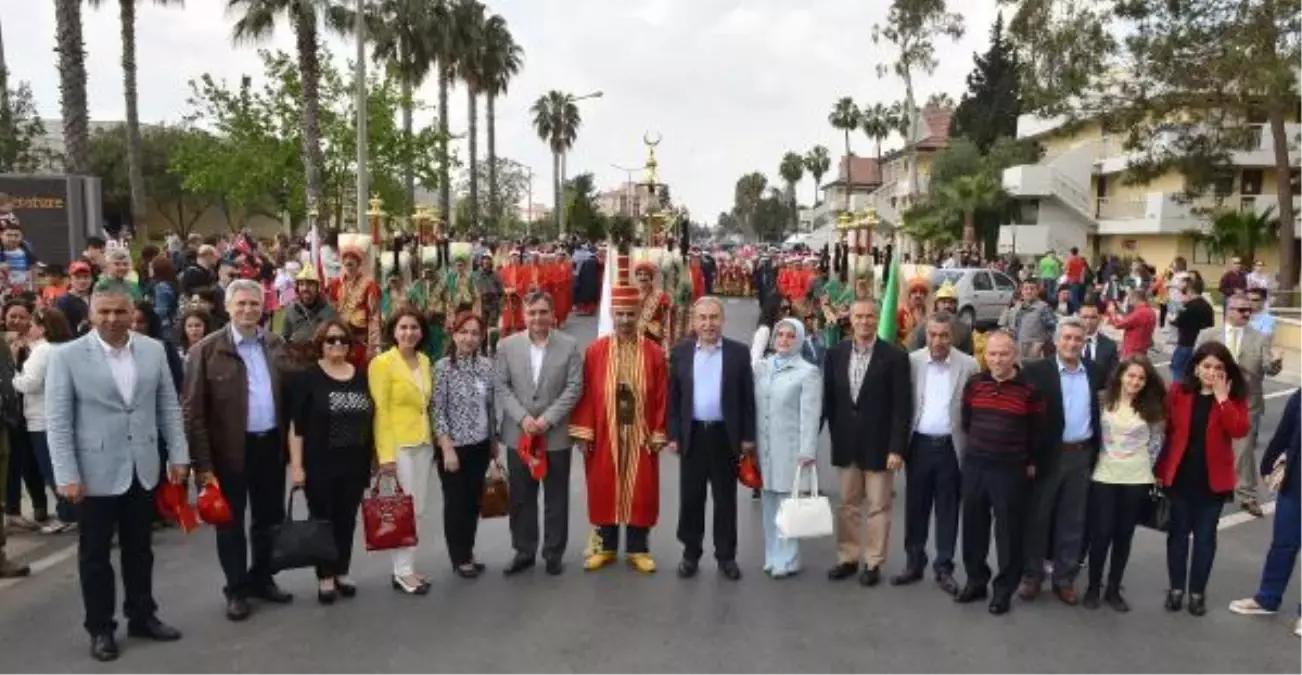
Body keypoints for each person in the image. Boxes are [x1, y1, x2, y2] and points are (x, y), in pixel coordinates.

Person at [45, 286, 189, 661]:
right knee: (95, 556)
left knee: (140, 550)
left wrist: (179, 455)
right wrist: (66, 475)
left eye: (120, 312)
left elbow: (169, 408)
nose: (112, 319)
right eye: (104, 312)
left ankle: (142, 615)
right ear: (91, 315)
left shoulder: (153, 350)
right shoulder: (67, 357)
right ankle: (101, 628)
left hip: (143, 468)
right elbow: (58, 422)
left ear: (132, 313)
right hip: (93, 474)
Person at [184, 279, 294, 622]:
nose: (248, 310)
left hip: (269, 447)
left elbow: (291, 395)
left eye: (254, 305)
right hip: (228, 453)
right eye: (241, 304)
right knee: (229, 524)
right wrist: (202, 465)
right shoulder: (205, 350)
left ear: (264, 308)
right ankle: (236, 588)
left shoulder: (276, 345)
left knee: (269, 520)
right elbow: (193, 412)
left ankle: (262, 577)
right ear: (228, 308)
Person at [570, 255, 668, 574]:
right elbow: (584, 394)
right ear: (612, 314)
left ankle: (638, 549)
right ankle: (607, 546)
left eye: (631, 313)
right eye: (620, 314)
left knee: (640, 489)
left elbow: (661, 395)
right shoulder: (596, 351)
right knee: (604, 486)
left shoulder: (653, 353)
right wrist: (584, 432)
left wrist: (657, 431)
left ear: (639, 313)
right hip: (604, 429)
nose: (625, 319)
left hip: (639, 432)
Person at [1156, 341, 1250, 617]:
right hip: (1180, 478)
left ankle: (1197, 593)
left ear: (1226, 371)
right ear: (1196, 367)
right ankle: (1176, 589)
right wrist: (1159, 471)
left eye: (1218, 368)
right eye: (1206, 366)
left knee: (1206, 538)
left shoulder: (1233, 397)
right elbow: (1166, 431)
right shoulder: (1178, 392)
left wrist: (1222, 398)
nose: (1211, 372)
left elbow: (1239, 430)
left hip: (1213, 482)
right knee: (1178, 536)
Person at [823, 298, 912, 587]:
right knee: (847, 505)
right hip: (846, 442)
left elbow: (902, 407)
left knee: (878, 506)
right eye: (858, 316)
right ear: (850, 319)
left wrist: (897, 448)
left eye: (870, 317)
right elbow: (830, 399)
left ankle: (873, 562)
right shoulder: (835, 354)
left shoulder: (895, 357)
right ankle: (847, 557)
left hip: (880, 446)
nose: (864, 322)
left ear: (877, 320)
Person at [956, 331, 1045, 615]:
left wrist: (1030, 461)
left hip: (1010, 469)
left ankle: (1003, 590)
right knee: (973, 528)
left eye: (1003, 354)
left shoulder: (1030, 389)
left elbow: (1036, 430)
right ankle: (976, 581)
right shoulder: (975, 384)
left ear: (1014, 356)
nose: (997, 360)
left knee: (1008, 533)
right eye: (992, 354)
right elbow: (967, 421)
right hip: (976, 466)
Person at [667, 297, 756, 581]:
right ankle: (690, 554)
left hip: (724, 436)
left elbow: (747, 399)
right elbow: (674, 398)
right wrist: (673, 434)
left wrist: (747, 436)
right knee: (691, 498)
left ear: (722, 320)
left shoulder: (739, 354)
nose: (708, 324)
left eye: (714, 318)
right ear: (694, 322)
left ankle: (726, 556)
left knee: (724, 499)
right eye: (702, 318)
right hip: (693, 434)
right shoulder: (680, 353)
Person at [495, 291, 583, 576]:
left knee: (556, 497)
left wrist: (546, 419)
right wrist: (523, 418)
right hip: (518, 434)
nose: (537, 318)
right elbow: (501, 386)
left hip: (554, 435)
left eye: (543, 312)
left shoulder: (569, 345)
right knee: (521, 496)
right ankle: (524, 551)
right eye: (532, 313)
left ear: (552, 314)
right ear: (524, 315)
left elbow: (574, 387)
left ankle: (553, 553)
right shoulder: (506, 346)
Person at [286, 320, 373, 604]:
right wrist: (297, 466)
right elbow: (296, 426)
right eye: (331, 340)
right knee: (323, 519)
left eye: (343, 341)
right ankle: (325, 575)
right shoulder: (308, 377)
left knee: (347, 519)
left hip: (354, 461)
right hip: (320, 462)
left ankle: (341, 570)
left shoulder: (360, 376)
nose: (338, 345)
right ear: (320, 344)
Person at [1019, 317, 1103, 605]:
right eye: (1066, 338)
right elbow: (1026, 419)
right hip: (1047, 457)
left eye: (1077, 339)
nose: (1071, 343)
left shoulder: (1094, 371)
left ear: (1084, 343)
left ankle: (1064, 578)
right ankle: (1032, 576)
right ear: (1055, 341)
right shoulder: (1036, 372)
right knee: (1038, 517)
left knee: (1073, 519)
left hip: (1081, 454)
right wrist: (1028, 457)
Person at [894, 312, 977, 594]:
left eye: (944, 335)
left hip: (951, 449)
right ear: (925, 335)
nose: (938, 340)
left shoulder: (969, 365)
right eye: (933, 334)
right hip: (918, 445)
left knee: (948, 510)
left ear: (952, 336)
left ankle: (944, 567)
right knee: (916, 508)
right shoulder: (912, 362)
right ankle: (913, 562)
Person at [1084, 356, 1166, 612]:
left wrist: (1146, 468)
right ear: (1120, 375)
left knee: (1123, 535)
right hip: (1104, 476)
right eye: (1131, 375)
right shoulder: (1101, 400)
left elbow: (1156, 443)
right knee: (1100, 533)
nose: (1135, 381)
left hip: (1136, 478)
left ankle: (1113, 588)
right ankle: (1093, 587)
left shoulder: (1153, 408)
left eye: (1141, 378)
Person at [1195, 294, 1281, 518]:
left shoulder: (1261, 337)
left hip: (1246, 402)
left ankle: (1247, 495)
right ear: (1228, 310)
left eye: (1249, 310)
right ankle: (1205, 487)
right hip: (1211, 401)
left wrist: (1275, 362)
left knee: (1243, 451)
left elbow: (1269, 368)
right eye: (1241, 310)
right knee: (1206, 446)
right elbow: (1195, 364)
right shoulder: (1208, 335)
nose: (1246, 313)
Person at [368, 308, 435, 594]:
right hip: (398, 445)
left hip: (423, 442)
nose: (409, 333)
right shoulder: (382, 363)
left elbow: (425, 404)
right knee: (401, 511)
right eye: (403, 327)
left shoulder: (424, 360)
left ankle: (406, 566)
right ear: (393, 332)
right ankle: (402, 572)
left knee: (417, 509)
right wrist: (386, 457)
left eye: (414, 327)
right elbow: (380, 411)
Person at [1229, 388, 1302, 638]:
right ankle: (1267, 599)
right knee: (1283, 545)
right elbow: (1284, 433)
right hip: (1295, 484)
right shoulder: (1300, 396)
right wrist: (1268, 462)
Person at [752, 317, 821, 578]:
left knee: (787, 504)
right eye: (780, 334)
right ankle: (772, 554)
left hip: (790, 448)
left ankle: (789, 558)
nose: (783, 340)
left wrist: (807, 451)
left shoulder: (807, 372)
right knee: (769, 501)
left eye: (790, 336)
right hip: (765, 446)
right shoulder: (764, 367)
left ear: (799, 340)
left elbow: (810, 416)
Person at [432, 312, 498, 579]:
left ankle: (468, 553)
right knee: (456, 503)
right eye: (464, 332)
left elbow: (490, 407)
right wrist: (446, 447)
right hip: (453, 448)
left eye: (474, 333)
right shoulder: (443, 367)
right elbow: (437, 411)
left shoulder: (486, 366)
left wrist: (494, 443)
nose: (469, 338)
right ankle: (458, 557)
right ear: (454, 334)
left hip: (480, 445)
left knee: (472, 502)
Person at [12, 307, 76, 533]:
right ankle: (71, 511)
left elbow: (29, 383)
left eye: (33, 325)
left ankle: (67, 513)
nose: (30, 329)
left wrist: (12, 374)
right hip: (61, 416)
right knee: (63, 466)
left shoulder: (43, 351)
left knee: (51, 469)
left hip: (41, 417)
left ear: (43, 327)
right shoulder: (66, 348)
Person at [280, 265, 336, 369]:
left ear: (317, 287)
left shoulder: (329, 311)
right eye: (301, 284)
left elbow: (335, 340)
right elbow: (284, 340)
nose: (305, 288)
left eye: (310, 284)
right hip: (297, 364)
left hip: (322, 364)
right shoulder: (291, 310)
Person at [999, 279, 1055, 359]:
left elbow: (1054, 329)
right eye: (1026, 289)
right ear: (1022, 291)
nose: (1029, 291)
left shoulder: (1043, 308)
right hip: (1018, 352)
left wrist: (1041, 344)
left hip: (1035, 355)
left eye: (1032, 289)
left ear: (1037, 291)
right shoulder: (1018, 308)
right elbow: (1014, 329)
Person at [1078, 297, 1118, 387]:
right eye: (1085, 317)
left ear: (1100, 318)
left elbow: (1113, 374)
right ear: (1078, 318)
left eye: (1093, 317)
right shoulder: (1068, 342)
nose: (1088, 321)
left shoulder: (1110, 346)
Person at [1107, 288, 1157, 358]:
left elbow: (1118, 325)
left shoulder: (1140, 313)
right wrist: (1120, 311)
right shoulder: (1150, 311)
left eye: (1130, 298)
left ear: (1135, 298)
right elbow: (1131, 321)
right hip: (1142, 348)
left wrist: (1112, 313)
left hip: (1132, 349)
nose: (1128, 300)